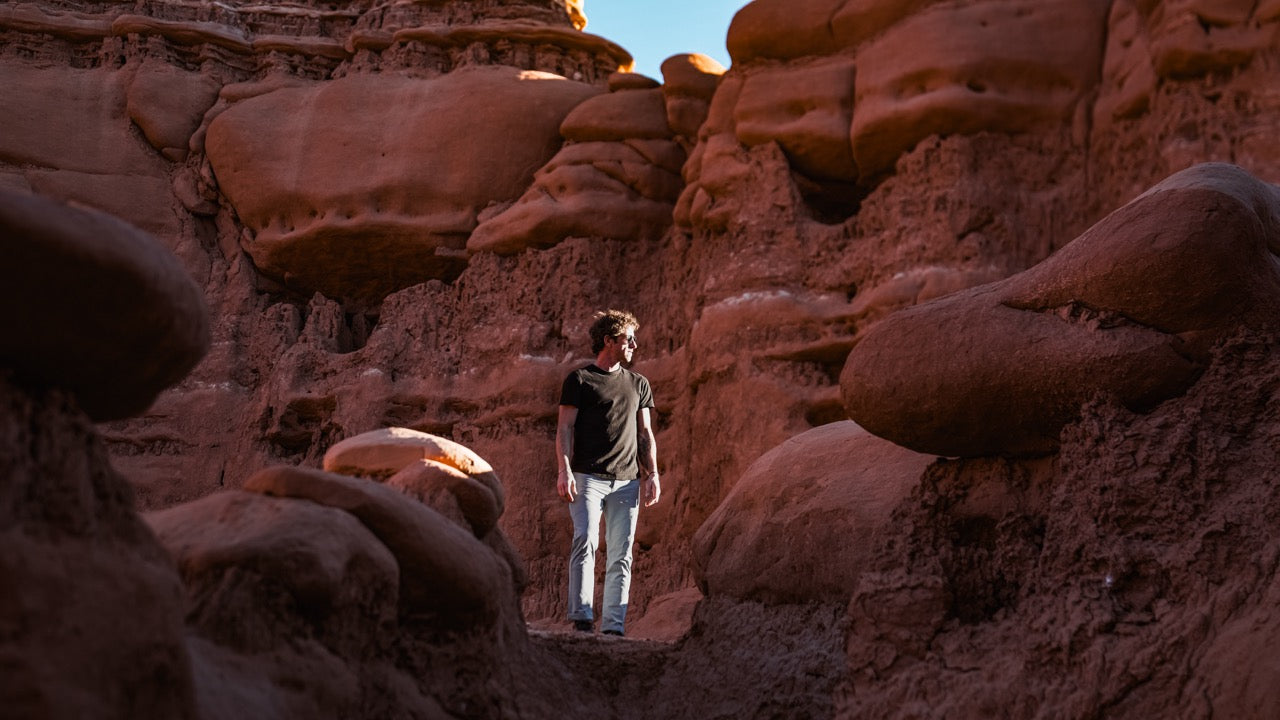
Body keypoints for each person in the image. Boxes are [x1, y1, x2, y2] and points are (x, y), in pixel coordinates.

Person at [556, 309, 661, 637]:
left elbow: (645, 434)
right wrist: (564, 470)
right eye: (629, 338)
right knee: (585, 542)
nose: (634, 344)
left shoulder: (638, 383)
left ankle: (614, 627)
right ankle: (582, 618)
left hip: (627, 481)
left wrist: (652, 474)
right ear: (609, 340)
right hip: (587, 478)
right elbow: (564, 428)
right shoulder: (579, 380)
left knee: (621, 554)